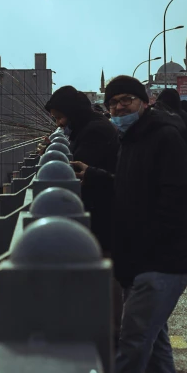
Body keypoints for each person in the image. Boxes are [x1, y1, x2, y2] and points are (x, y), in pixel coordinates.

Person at [77, 75, 187, 373]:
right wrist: (95, 175)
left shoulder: (163, 136)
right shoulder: (130, 139)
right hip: (140, 258)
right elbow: (129, 187)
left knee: (133, 338)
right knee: (154, 338)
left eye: (126, 101)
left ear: (144, 101)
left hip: (162, 259)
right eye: (113, 103)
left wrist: (147, 242)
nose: (119, 108)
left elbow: (177, 195)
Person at [44, 85, 119, 253]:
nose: (59, 124)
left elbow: (78, 169)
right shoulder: (87, 127)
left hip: (102, 215)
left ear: (72, 113)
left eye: (60, 117)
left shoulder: (94, 131)